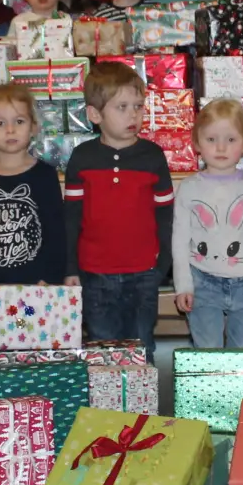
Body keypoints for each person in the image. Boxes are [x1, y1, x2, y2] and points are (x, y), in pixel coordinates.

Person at [62, 62, 174, 361]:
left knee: (142, 347)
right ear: (94, 114)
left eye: (138, 106)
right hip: (95, 274)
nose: (133, 114)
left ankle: (143, 406)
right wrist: (70, 267)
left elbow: (165, 214)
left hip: (143, 272)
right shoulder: (82, 157)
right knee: (103, 348)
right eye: (122, 106)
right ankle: (106, 408)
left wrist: (163, 263)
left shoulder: (152, 156)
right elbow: (71, 218)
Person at [172, 98, 243, 348]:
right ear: (197, 143)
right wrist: (183, 285)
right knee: (207, 350)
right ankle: (209, 388)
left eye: (230, 140)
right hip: (202, 283)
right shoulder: (188, 188)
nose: (221, 147)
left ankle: (240, 388)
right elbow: (179, 241)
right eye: (211, 139)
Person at [0, 83, 67, 286]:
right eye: (0, 123)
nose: (10, 130)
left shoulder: (45, 176)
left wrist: (51, 277)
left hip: (37, 286)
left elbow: (56, 234)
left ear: (33, 127)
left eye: (19, 121)